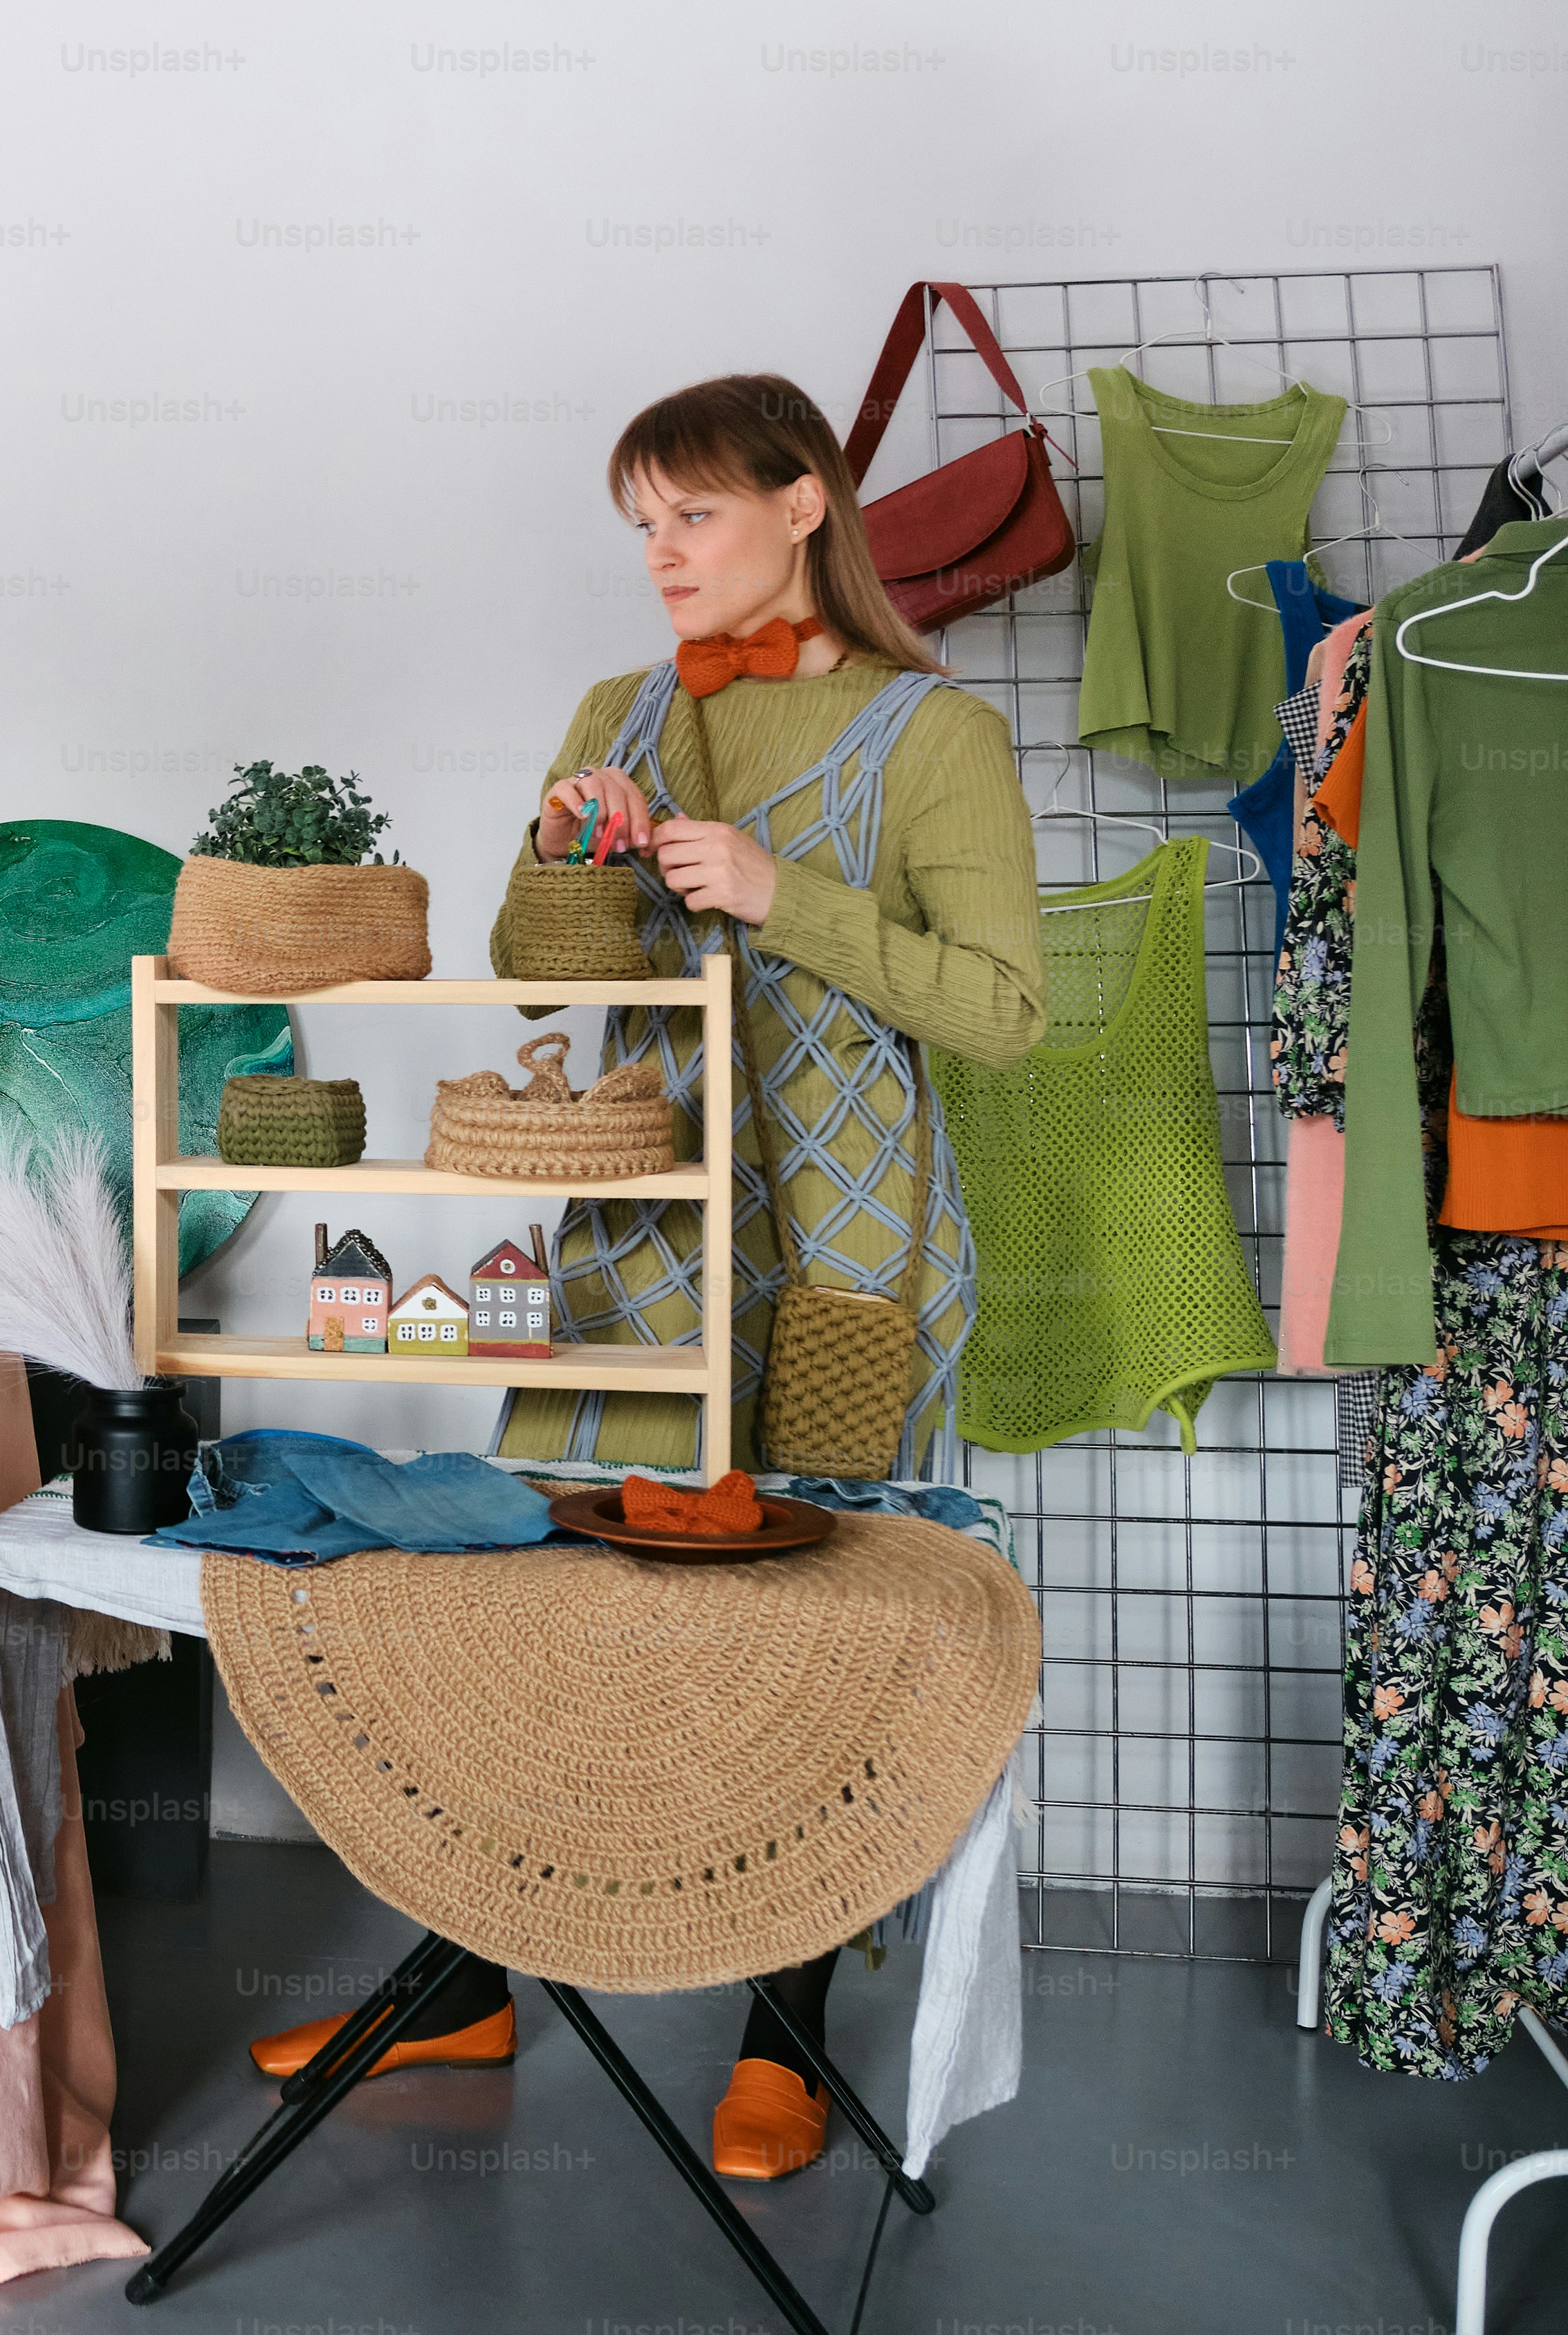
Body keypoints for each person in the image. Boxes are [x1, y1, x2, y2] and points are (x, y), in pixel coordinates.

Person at [241, 376, 1043, 2183]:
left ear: (807, 506)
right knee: (562, 1584)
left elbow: (1003, 1005)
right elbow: (543, 963)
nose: (663, 557)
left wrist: (776, 889)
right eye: (644, 527)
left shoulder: (932, 735)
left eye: (692, 514)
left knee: (814, 1623)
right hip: (632, 1237)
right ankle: (463, 1970)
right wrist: (571, 842)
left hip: (849, 1260)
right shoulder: (623, 710)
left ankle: (790, 2030)